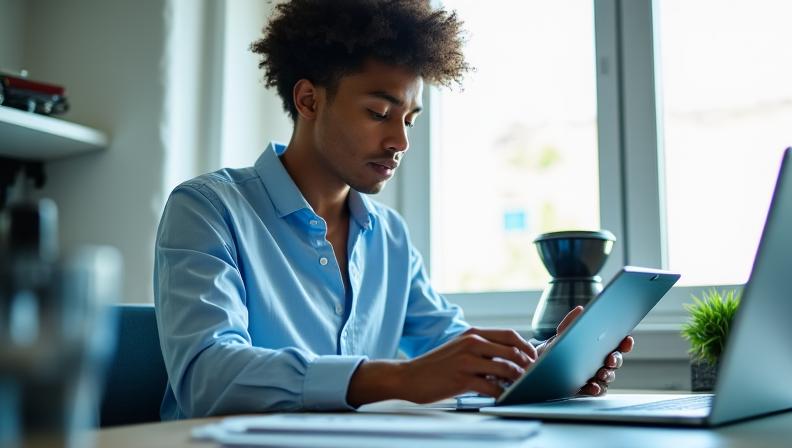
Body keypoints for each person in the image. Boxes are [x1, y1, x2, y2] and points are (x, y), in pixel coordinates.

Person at [154, 0, 633, 420]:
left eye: (409, 119)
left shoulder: (389, 235)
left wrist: (543, 365)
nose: (399, 141)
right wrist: (396, 379)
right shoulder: (208, 209)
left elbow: (447, 344)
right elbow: (206, 378)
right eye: (379, 114)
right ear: (308, 99)